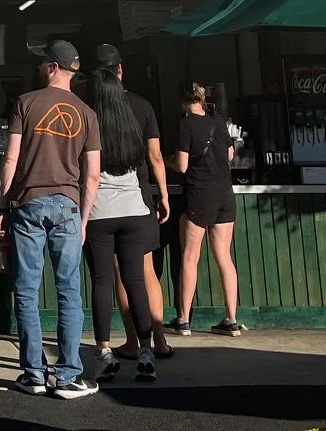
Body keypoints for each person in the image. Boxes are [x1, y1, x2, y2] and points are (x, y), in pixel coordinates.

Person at [0, 39, 102, 400]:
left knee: (26, 291)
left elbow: (11, 160)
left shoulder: (26, 103)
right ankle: (70, 375)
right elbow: (92, 175)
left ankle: (33, 375)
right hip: (68, 207)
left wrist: (3, 205)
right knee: (69, 291)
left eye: (44, 62)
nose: (41, 67)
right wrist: (84, 218)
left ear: (54, 68)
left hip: (27, 204)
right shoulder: (87, 113)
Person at [81, 58, 168, 381]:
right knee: (136, 281)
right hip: (135, 208)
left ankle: (104, 351)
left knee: (103, 281)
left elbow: (85, 171)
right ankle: (146, 351)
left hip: (100, 211)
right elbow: (150, 157)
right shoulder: (133, 120)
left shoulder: (89, 120)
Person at [172, 81, 243, 335]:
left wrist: (169, 161)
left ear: (183, 102)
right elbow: (230, 155)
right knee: (224, 257)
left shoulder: (186, 125)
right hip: (225, 195)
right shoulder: (219, 123)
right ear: (203, 99)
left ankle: (183, 320)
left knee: (191, 257)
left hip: (199, 196)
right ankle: (231, 319)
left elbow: (181, 165)